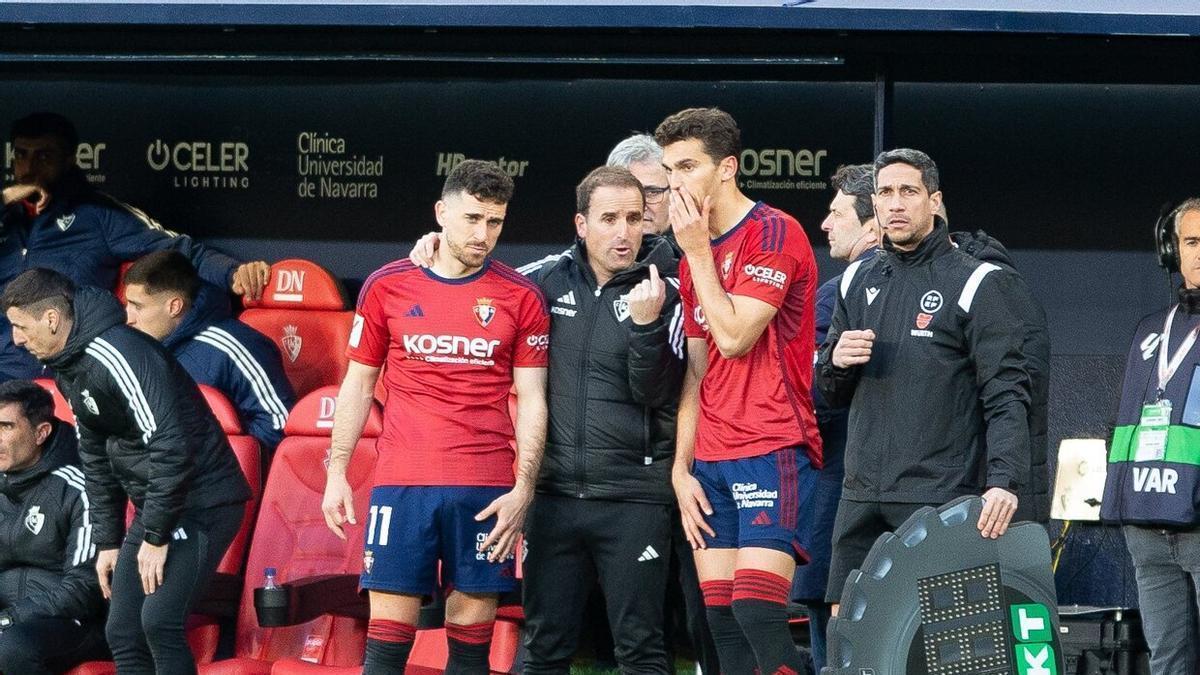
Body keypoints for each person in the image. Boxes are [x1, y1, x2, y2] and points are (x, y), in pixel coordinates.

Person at [321, 159, 549, 675]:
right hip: (403, 483)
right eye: (471, 218)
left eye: (494, 222)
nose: (483, 234)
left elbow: (532, 398)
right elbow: (358, 383)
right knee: (386, 648)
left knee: (470, 647)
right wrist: (337, 472)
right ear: (441, 213)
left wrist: (524, 488)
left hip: (486, 486)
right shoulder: (387, 285)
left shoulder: (521, 295)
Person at [815, 148, 1034, 614]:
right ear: (873, 204)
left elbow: (1007, 394)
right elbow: (829, 394)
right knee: (849, 632)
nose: (895, 204)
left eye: (908, 192)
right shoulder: (856, 278)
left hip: (940, 494)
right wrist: (834, 360)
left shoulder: (978, 281)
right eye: (885, 193)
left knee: (938, 644)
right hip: (862, 495)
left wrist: (1004, 481)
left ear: (933, 201)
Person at [1, 268, 252, 672]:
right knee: (122, 630)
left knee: (159, 621)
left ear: (51, 319)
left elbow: (170, 443)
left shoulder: (116, 353)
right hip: (159, 505)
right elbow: (96, 456)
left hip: (205, 501)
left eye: (20, 326)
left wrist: (155, 533)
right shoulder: (70, 365)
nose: (16, 339)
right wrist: (109, 541)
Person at [660, 107, 823, 675]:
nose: (673, 182)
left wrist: (698, 250)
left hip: (771, 441)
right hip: (711, 455)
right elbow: (699, 370)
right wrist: (682, 469)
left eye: (686, 167)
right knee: (723, 623)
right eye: (667, 169)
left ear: (727, 167)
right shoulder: (691, 257)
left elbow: (733, 337)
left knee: (756, 610)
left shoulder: (774, 232)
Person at [512, 166, 683, 674]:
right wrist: (432, 249)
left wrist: (647, 325)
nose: (624, 232)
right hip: (555, 496)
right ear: (582, 224)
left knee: (642, 648)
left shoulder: (670, 290)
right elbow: (474, 286)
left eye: (634, 218)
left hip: (635, 496)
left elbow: (655, 394)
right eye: (609, 219)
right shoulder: (541, 280)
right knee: (544, 647)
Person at [0, 111, 271, 380]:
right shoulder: (7, 216)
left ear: (70, 158)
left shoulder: (99, 214)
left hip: (63, 372)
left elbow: (180, 251)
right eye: (22, 155)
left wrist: (233, 274)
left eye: (44, 156)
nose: (30, 168)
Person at [609, 133, 719, 675]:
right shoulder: (575, 272)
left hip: (698, 463)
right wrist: (435, 248)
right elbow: (503, 284)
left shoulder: (704, 260)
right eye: (650, 191)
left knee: (709, 616)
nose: (660, 203)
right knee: (640, 631)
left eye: (667, 189)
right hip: (624, 476)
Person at [1101, 198, 1200, 675]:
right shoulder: (1149, 331)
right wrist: (1120, 509)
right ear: (1172, 251)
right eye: (1192, 241)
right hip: (1147, 523)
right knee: (1167, 661)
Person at [797, 163, 880, 671]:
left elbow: (813, 398)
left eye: (836, 213)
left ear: (872, 227)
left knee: (839, 638)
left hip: (838, 496)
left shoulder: (838, 293)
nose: (825, 225)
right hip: (889, 497)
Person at [123, 250, 296, 457]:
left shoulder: (232, 347)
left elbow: (279, 425)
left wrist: (211, 461)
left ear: (174, 306)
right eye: (127, 305)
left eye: (137, 307)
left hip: (221, 481)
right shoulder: (136, 348)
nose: (128, 318)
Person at [0, 379, 109, 674]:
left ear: (41, 433)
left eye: (6, 427)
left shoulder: (80, 490)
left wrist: (11, 618)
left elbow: (85, 589)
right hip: (8, 617)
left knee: (11, 648)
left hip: (73, 623)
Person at [607, 134, 674, 239]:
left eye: (652, 192)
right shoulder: (582, 253)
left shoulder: (701, 251)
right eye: (628, 193)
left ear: (673, 195)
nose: (641, 207)